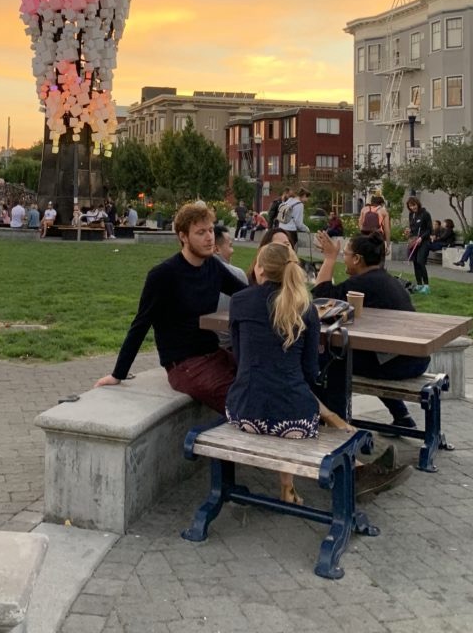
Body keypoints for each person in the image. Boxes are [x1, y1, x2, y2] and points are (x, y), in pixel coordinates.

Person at [94, 201, 246, 413]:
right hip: (185, 365)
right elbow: (141, 324)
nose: (210, 237)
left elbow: (245, 294)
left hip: (215, 354)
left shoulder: (213, 266)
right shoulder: (163, 275)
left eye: (211, 230)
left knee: (263, 382)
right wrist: (118, 374)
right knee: (245, 404)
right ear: (183, 236)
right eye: (201, 232)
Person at [225, 241, 320, 504]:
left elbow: (239, 357)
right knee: (295, 398)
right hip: (295, 421)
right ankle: (287, 486)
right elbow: (311, 371)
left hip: (246, 412)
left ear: (260, 269)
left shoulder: (240, 301)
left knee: (264, 390)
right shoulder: (306, 308)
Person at [314, 229, 428, 429]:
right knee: (359, 356)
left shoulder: (365, 283)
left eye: (346, 254)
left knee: (330, 361)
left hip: (402, 363)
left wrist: (329, 257)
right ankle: (402, 417)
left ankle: (336, 423)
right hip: (411, 357)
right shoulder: (383, 279)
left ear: (357, 259)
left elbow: (321, 297)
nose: (344, 258)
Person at [212, 223, 249, 349]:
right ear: (216, 249)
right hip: (229, 345)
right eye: (230, 246)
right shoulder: (237, 274)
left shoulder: (193, 272)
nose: (233, 251)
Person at [405, 196, 434, 293]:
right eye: (410, 206)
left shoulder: (425, 214)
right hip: (414, 241)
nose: (413, 207)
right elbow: (413, 228)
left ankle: (426, 285)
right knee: (415, 263)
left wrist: (421, 237)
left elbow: (429, 229)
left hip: (424, 241)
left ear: (417, 204)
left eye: (414, 205)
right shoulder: (411, 215)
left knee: (421, 261)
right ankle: (419, 284)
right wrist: (409, 231)